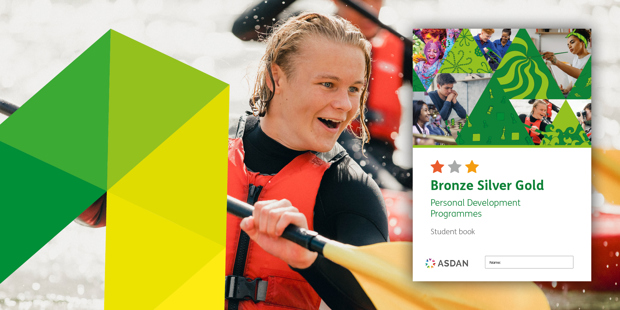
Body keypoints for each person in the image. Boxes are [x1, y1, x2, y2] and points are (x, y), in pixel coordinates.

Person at [227, 13, 388, 310]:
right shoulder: (196, 144)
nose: (346, 104)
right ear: (276, 78)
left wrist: (307, 259)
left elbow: (380, 303)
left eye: (354, 88)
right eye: (328, 84)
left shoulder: (349, 189)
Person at [231, 0, 413, 189]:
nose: (371, 9)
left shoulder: (400, 49)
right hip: (326, 143)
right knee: (341, 133)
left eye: (377, 0)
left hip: (381, 161)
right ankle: (386, 190)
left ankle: (390, 190)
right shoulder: (309, 32)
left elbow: (440, 91)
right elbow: (246, 29)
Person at [542, 29, 591, 95]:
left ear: (582, 42)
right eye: (568, 45)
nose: (569, 46)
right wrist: (566, 89)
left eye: (572, 42)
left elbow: (581, 75)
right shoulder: (575, 58)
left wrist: (557, 62)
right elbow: (574, 79)